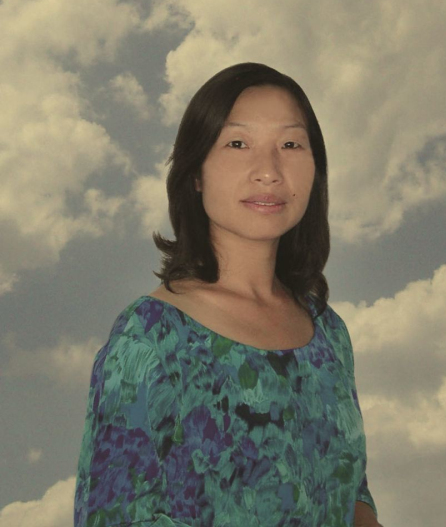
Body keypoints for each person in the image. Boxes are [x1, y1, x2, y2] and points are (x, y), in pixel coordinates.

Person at [74, 63, 382, 526]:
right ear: (195, 172)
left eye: (291, 145)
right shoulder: (149, 338)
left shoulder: (328, 331)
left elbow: (352, 490)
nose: (269, 172)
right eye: (238, 144)